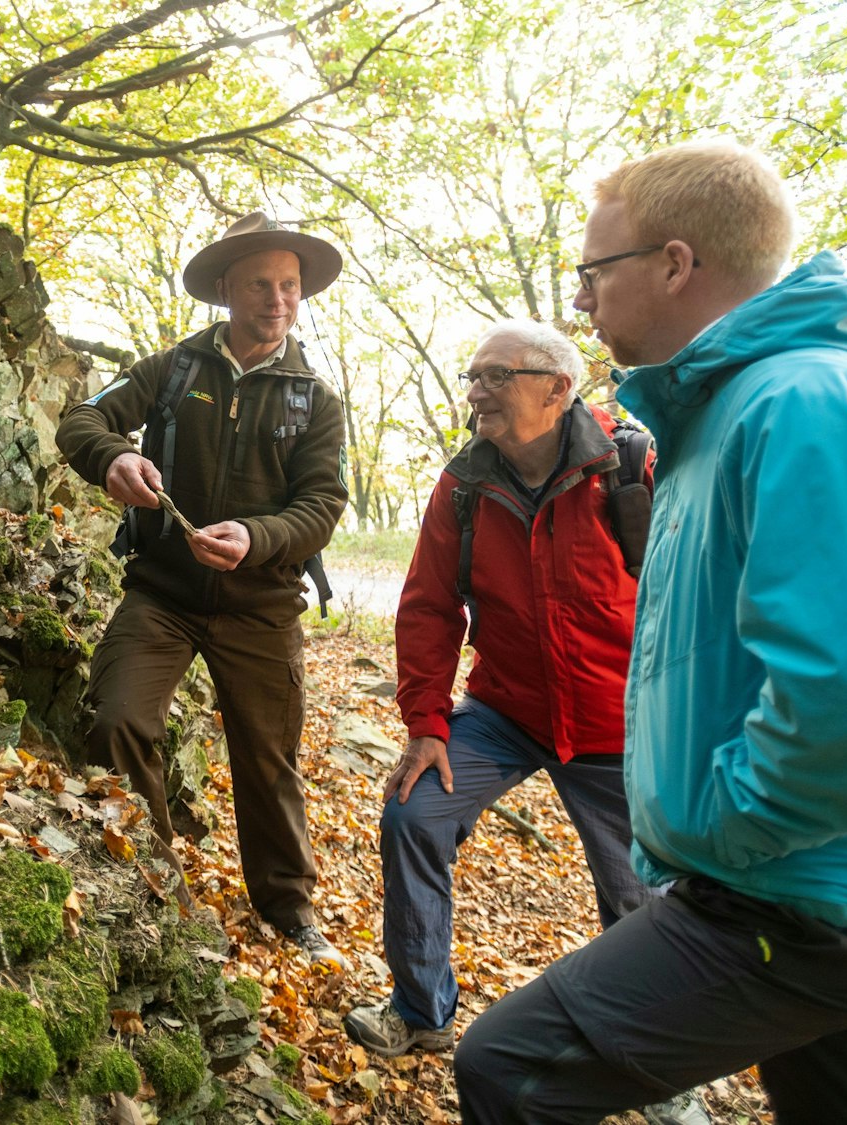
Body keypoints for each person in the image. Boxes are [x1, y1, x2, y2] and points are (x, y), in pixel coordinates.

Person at [453, 140, 847, 1125]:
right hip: (837, 890)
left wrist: (725, 831)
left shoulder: (804, 404)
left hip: (804, 898)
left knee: (507, 1069)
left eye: (591, 274)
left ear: (673, 264)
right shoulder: (723, 415)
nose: (580, 303)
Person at [342, 321, 707, 1125]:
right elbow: (430, 609)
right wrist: (427, 724)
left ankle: (660, 1069)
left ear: (557, 388)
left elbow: (700, 602)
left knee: (641, 900)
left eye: (494, 376)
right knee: (415, 810)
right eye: (471, 376)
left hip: (620, 726)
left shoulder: (637, 465)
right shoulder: (464, 484)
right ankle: (420, 1008)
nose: (475, 391)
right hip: (506, 711)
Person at [56, 212, 351, 964]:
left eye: (289, 285)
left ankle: (289, 907)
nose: (277, 299)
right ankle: (154, 879)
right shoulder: (172, 370)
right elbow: (83, 418)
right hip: (163, 595)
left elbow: (321, 505)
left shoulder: (315, 399)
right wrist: (112, 459)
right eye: (261, 283)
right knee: (117, 718)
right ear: (226, 288)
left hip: (262, 608)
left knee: (268, 756)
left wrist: (257, 537)